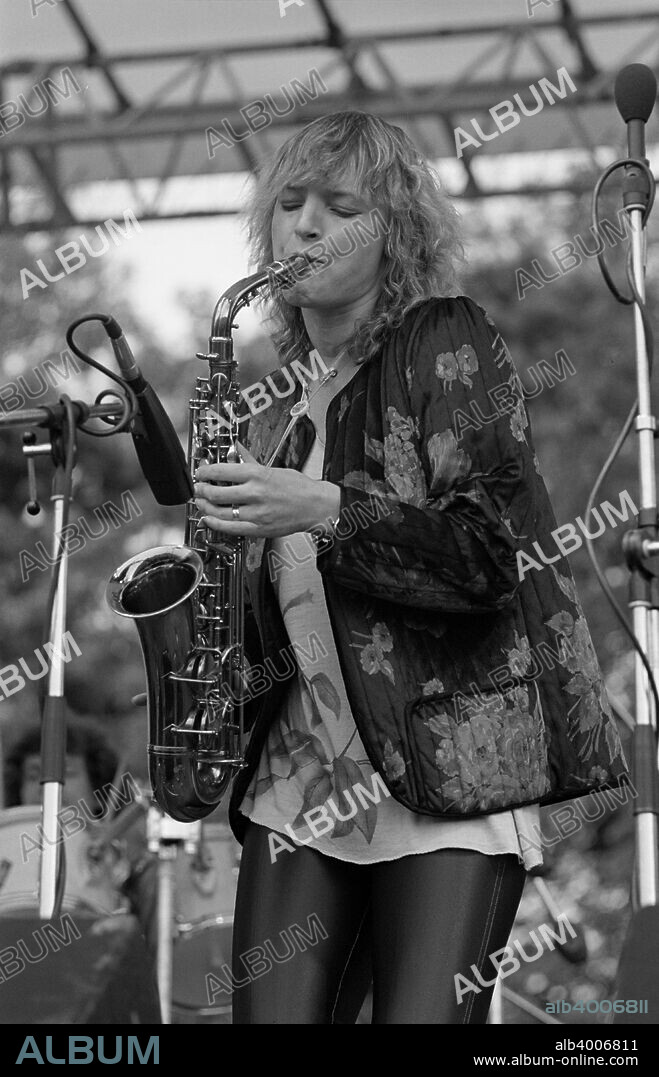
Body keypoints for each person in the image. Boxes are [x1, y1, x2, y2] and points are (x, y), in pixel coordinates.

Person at [192, 111, 628, 1024]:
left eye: (339, 206)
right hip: (297, 793)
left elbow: (483, 555)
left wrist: (323, 510)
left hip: (449, 781)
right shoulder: (284, 406)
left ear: (395, 234)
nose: (304, 225)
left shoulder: (444, 337)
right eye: (290, 203)